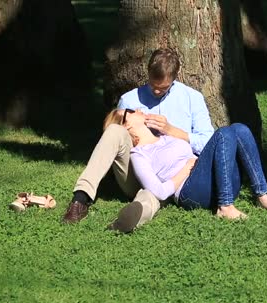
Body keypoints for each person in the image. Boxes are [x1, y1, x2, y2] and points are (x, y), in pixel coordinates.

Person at [62, 48, 215, 231]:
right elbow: (117, 135)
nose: (157, 91)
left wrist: (172, 131)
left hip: (173, 173)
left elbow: (209, 141)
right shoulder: (129, 100)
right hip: (138, 169)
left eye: (164, 88)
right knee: (114, 131)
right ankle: (81, 198)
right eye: (153, 85)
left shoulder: (192, 98)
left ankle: (129, 218)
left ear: (175, 77)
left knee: (149, 197)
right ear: (148, 73)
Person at [104, 108, 267, 228]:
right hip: (191, 191)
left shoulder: (164, 137)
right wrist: (185, 171)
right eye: (131, 111)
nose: (137, 109)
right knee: (224, 133)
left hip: (213, 179)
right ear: (126, 125)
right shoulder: (139, 154)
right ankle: (225, 207)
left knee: (239, 129)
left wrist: (170, 130)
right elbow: (159, 191)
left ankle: (261, 194)